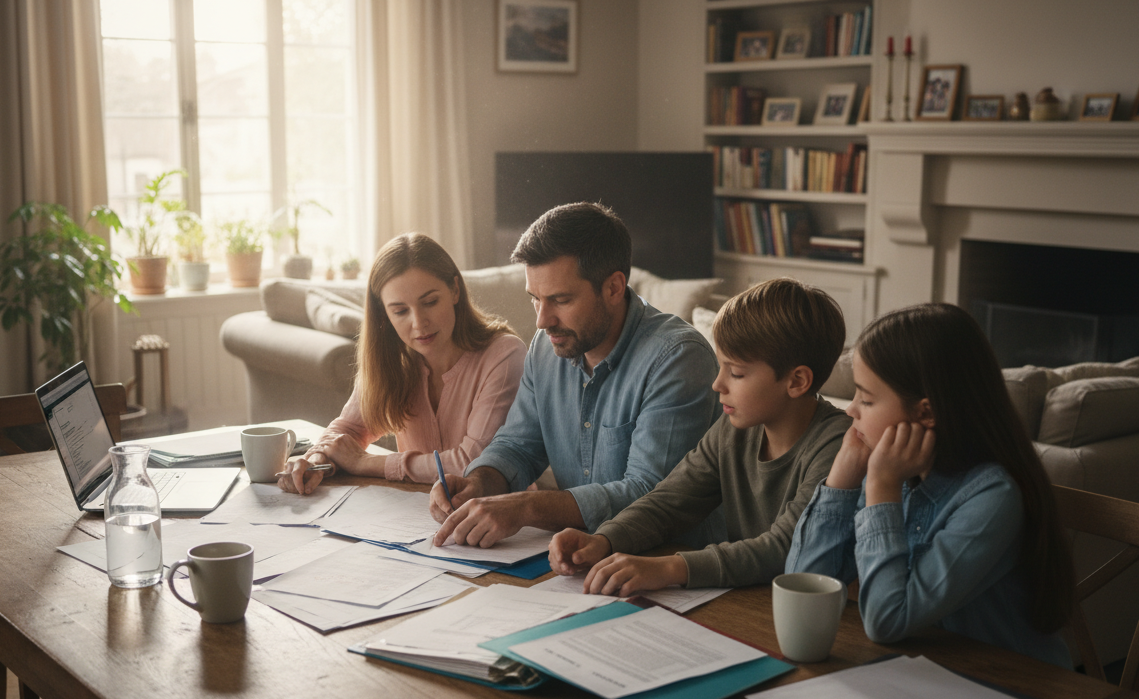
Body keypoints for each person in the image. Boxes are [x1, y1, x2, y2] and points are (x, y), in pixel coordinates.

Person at [785, 303, 1075, 667]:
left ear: (925, 413)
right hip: (925, 675)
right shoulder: (895, 473)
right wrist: (841, 483)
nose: (851, 410)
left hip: (1013, 690)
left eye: (867, 398)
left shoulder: (991, 498)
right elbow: (803, 586)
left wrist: (881, 489)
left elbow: (886, 621)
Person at [428, 202, 723, 548]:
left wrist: (525, 507)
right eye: (535, 299)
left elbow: (649, 496)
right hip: (573, 558)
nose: (542, 320)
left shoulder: (678, 359)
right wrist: (481, 482)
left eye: (560, 300)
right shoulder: (546, 346)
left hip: (671, 569)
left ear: (614, 288)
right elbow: (517, 447)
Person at [548, 278, 851, 594]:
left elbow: (782, 548)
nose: (717, 384)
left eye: (736, 372)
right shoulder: (734, 429)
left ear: (797, 381)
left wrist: (669, 568)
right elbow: (671, 501)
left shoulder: (836, 445)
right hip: (747, 599)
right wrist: (604, 539)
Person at [279, 233, 525, 492]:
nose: (419, 323)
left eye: (430, 302)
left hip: (502, 521)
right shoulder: (394, 358)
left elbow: (474, 464)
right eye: (400, 311)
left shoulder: (504, 355)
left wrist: (367, 463)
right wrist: (316, 460)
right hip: (412, 517)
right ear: (384, 313)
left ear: (454, 290)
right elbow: (348, 429)